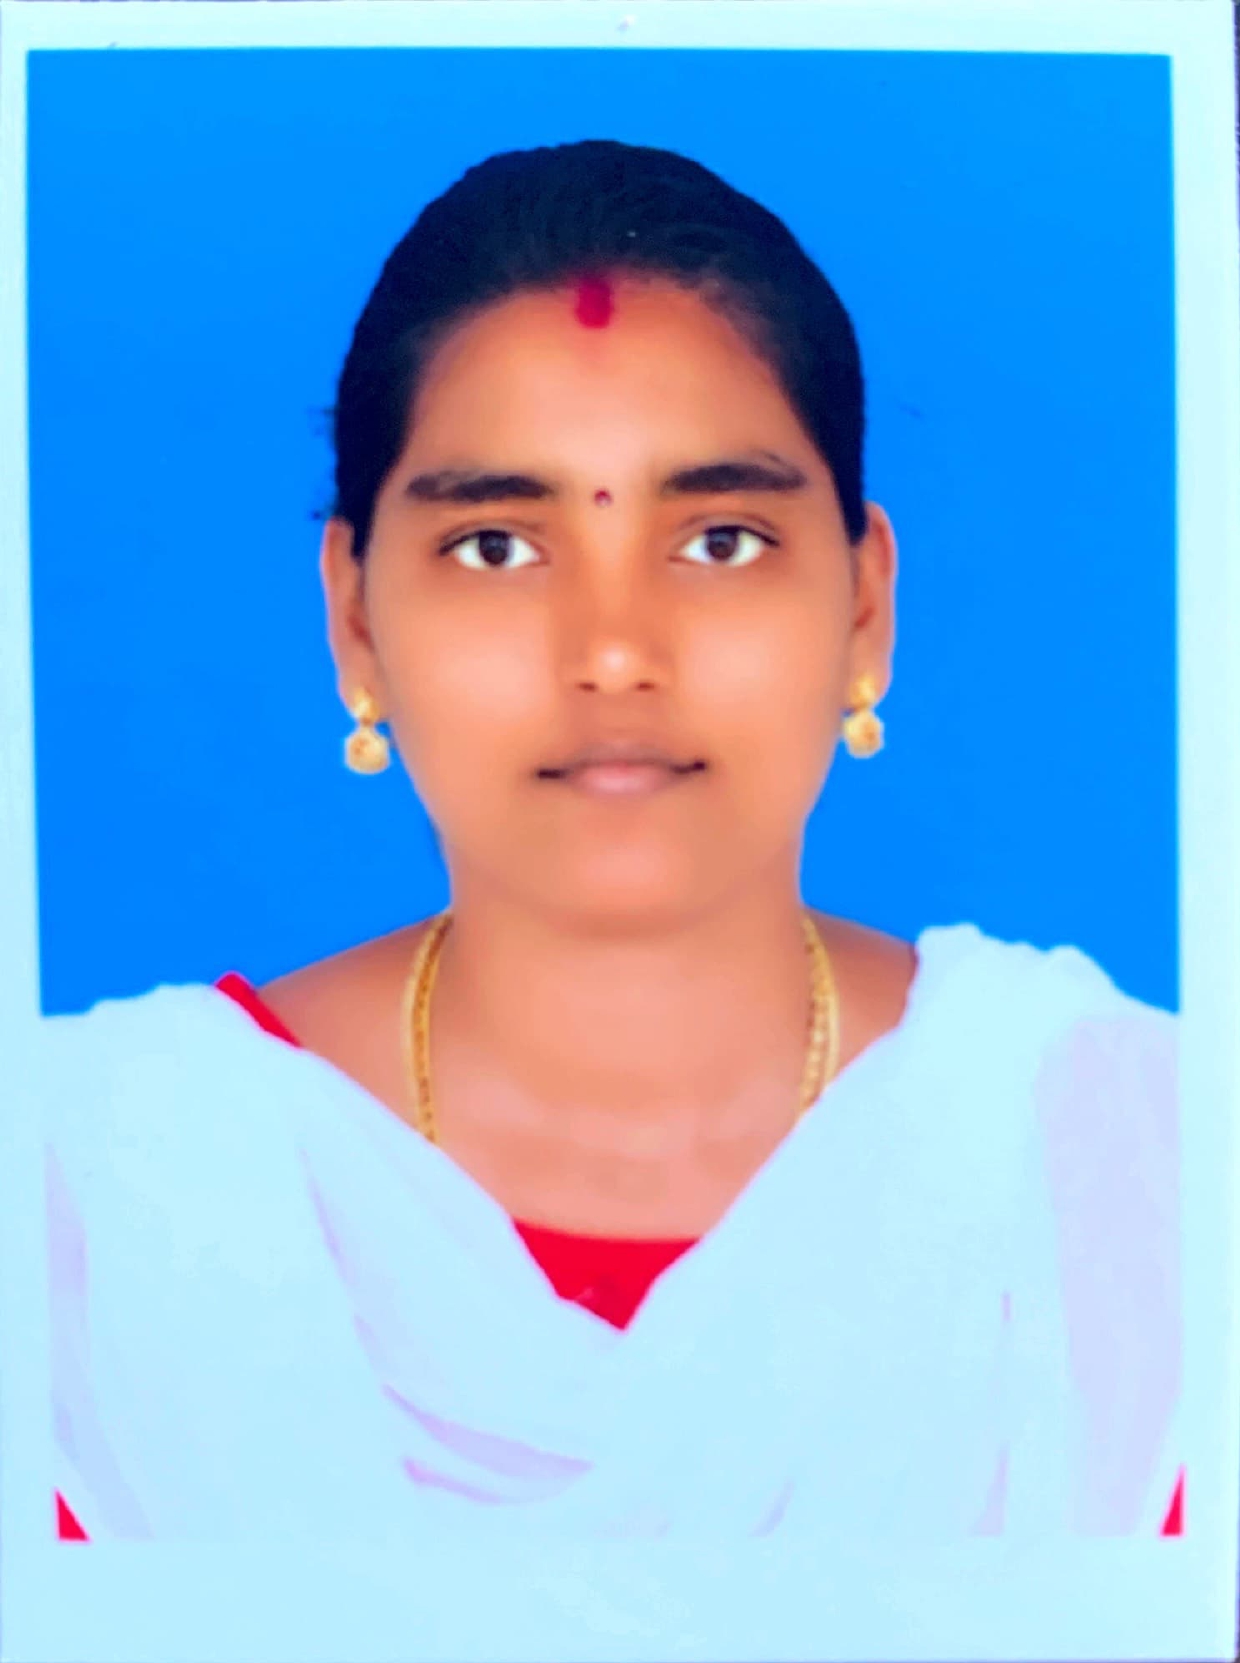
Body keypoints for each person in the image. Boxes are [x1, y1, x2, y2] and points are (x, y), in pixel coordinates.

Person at [42, 139, 1181, 1543]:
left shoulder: (1139, 1173)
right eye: (496, 547)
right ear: (354, 621)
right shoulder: (89, 1209)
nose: (616, 651)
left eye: (720, 540)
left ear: (865, 607)